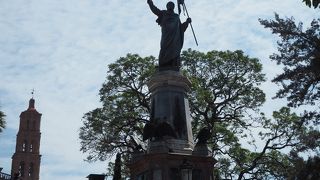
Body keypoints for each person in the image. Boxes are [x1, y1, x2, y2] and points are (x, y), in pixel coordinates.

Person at [147, 0, 191, 71]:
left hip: (175, 38)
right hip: (166, 36)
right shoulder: (163, 13)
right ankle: (163, 64)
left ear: (173, 7)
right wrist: (150, 2)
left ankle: (173, 64)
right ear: (167, 6)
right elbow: (155, 10)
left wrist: (187, 22)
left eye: (172, 5)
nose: (170, 6)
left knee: (174, 49)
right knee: (164, 48)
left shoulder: (176, 16)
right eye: (169, 5)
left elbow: (181, 28)